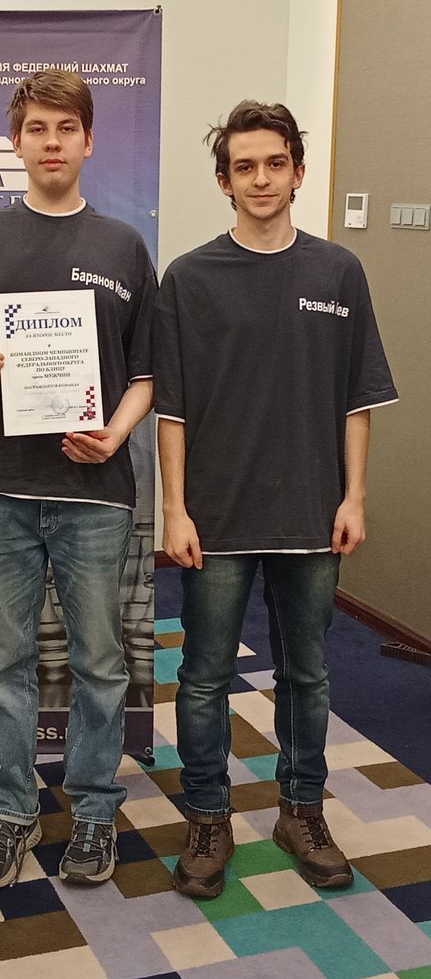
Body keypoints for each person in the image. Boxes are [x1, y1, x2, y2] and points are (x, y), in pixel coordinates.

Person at [154, 100, 398, 899]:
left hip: (311, 513)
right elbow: (171, 409)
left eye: (274, 163)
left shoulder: (338, 272)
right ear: (223, 181)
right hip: (216, 516)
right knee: (203, 677)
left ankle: (301, 811)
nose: (260, 178)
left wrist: (354, 495)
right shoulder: (188, 277)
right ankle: (208, 817)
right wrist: (174, 508)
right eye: (244, 166)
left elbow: (356, 398)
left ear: (296, 171)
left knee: (306, 674)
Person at [0, 70, 156, 889]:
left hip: (94, 493)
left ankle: (94, 810)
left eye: (66, 128)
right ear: (16, 142)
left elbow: (146, 371)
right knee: (3, 661)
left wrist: (117, 433)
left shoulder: (122, 245)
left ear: (88, 140)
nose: (52, 142)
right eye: (36, 128)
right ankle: (11, 810)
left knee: (100, 660)